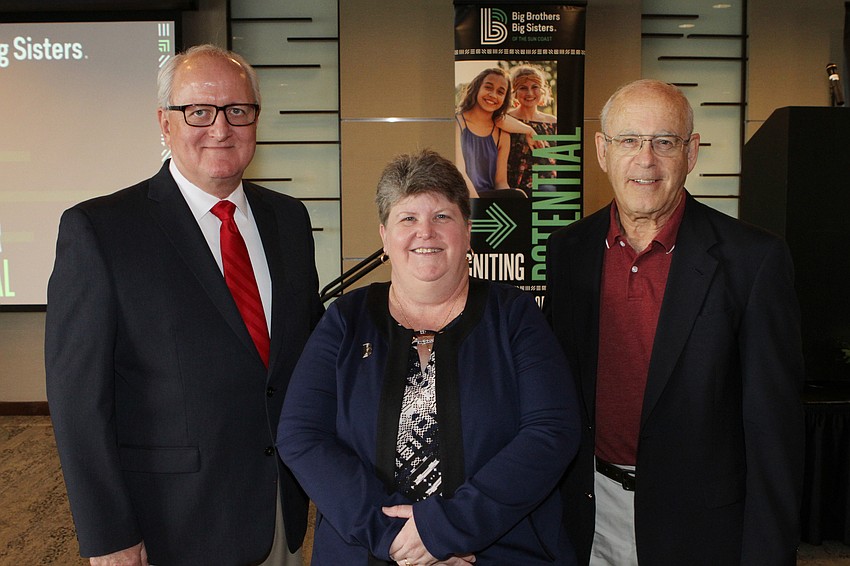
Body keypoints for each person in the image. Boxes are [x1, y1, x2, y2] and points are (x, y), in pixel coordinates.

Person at [45, 44, 324, 566]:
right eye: (198, 110)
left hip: (279, 512)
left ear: (255, 121)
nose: (221, 128)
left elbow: (305, 354)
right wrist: (108, 535)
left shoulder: (289, 220)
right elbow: (78, 402)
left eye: (238, 110)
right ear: (164, 122)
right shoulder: (101, 231)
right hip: (168, 525)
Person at [544, 78, 805, 565]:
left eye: (664, 142)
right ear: (602, 151)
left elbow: (774, 432)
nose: (646, 160)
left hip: (701, 527)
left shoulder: (753, 260)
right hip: (586, 513)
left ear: (692, 152)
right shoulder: (568, 250)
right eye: (628, 141)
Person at [277, 149, 581, 565]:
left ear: (467, 230)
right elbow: (301, 435)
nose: (426, 232)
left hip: (495, 552)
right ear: (384, 236)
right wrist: (397, 539)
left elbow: (551, 431)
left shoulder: (514, 316)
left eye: (442, 216)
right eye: (407, 218)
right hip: (369, 551)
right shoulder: (346, 319)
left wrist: (446, 530)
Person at [454, 67, 536, 197]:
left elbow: (500, 182)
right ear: (477, 88)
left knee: (517, 197)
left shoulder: (502, 134)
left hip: (487, 198)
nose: (493, 95)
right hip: (462, 197)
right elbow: (459, 172)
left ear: (504, 99)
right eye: (488, 87)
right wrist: (478, 207)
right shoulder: (457, 123)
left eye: (500, 92)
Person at [506, 65, 558, 196]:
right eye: (523, 88)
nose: (529, 93)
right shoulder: (506, 120)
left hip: (547, 187)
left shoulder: (553, 123)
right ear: (514, 92)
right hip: (514, 187)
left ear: (542, 91)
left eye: (535, 87)